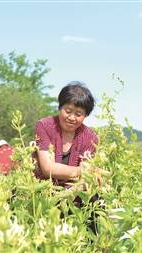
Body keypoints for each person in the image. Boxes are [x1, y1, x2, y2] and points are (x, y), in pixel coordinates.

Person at [33, 81, 102, 234]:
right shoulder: (44, 126)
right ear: (60, 107)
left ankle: (93, 245)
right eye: (68, 110)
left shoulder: (90, 137)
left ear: (85, 116)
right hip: (41, 192)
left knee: (95, 199)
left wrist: (71, 192)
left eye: (78, 114)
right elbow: (47, 168)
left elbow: (87, 178)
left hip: (73, 193)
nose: (71, 117)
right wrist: (82, 170)